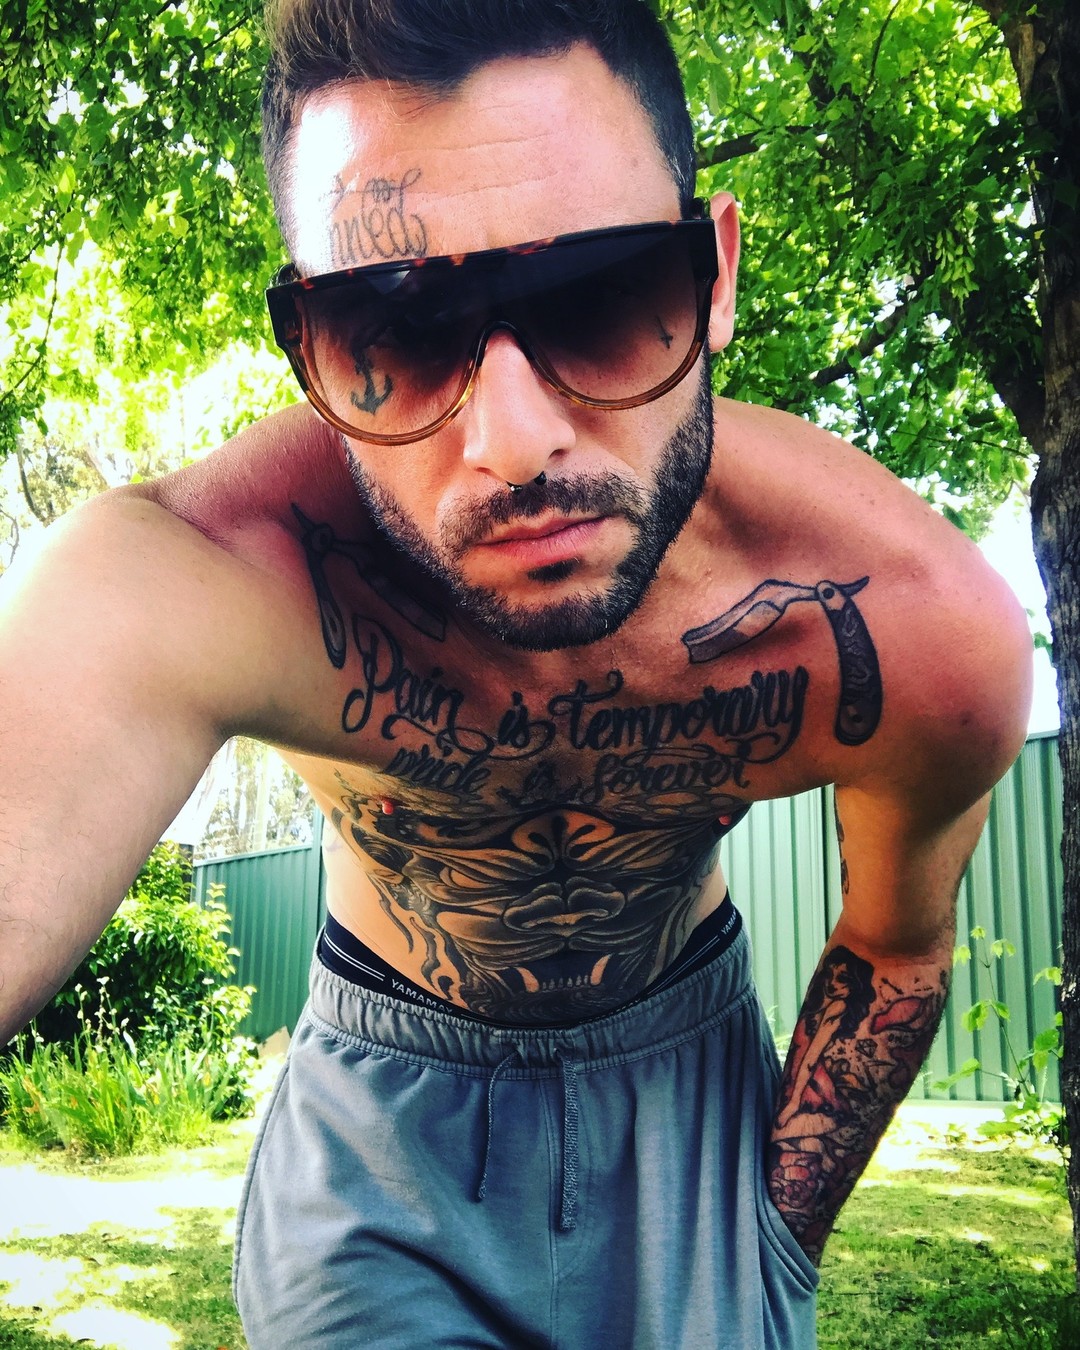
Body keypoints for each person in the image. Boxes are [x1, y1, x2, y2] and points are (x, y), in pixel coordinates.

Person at [0, 1, 1033, 1345]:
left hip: (689, 1102)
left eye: (598, 295)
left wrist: (776, 1239)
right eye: (396, 324)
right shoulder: (226, 576)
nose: (514, 441)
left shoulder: (913, 625)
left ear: (715, 273)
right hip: (381, 1127)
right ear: (309, 349)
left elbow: (897, 949)